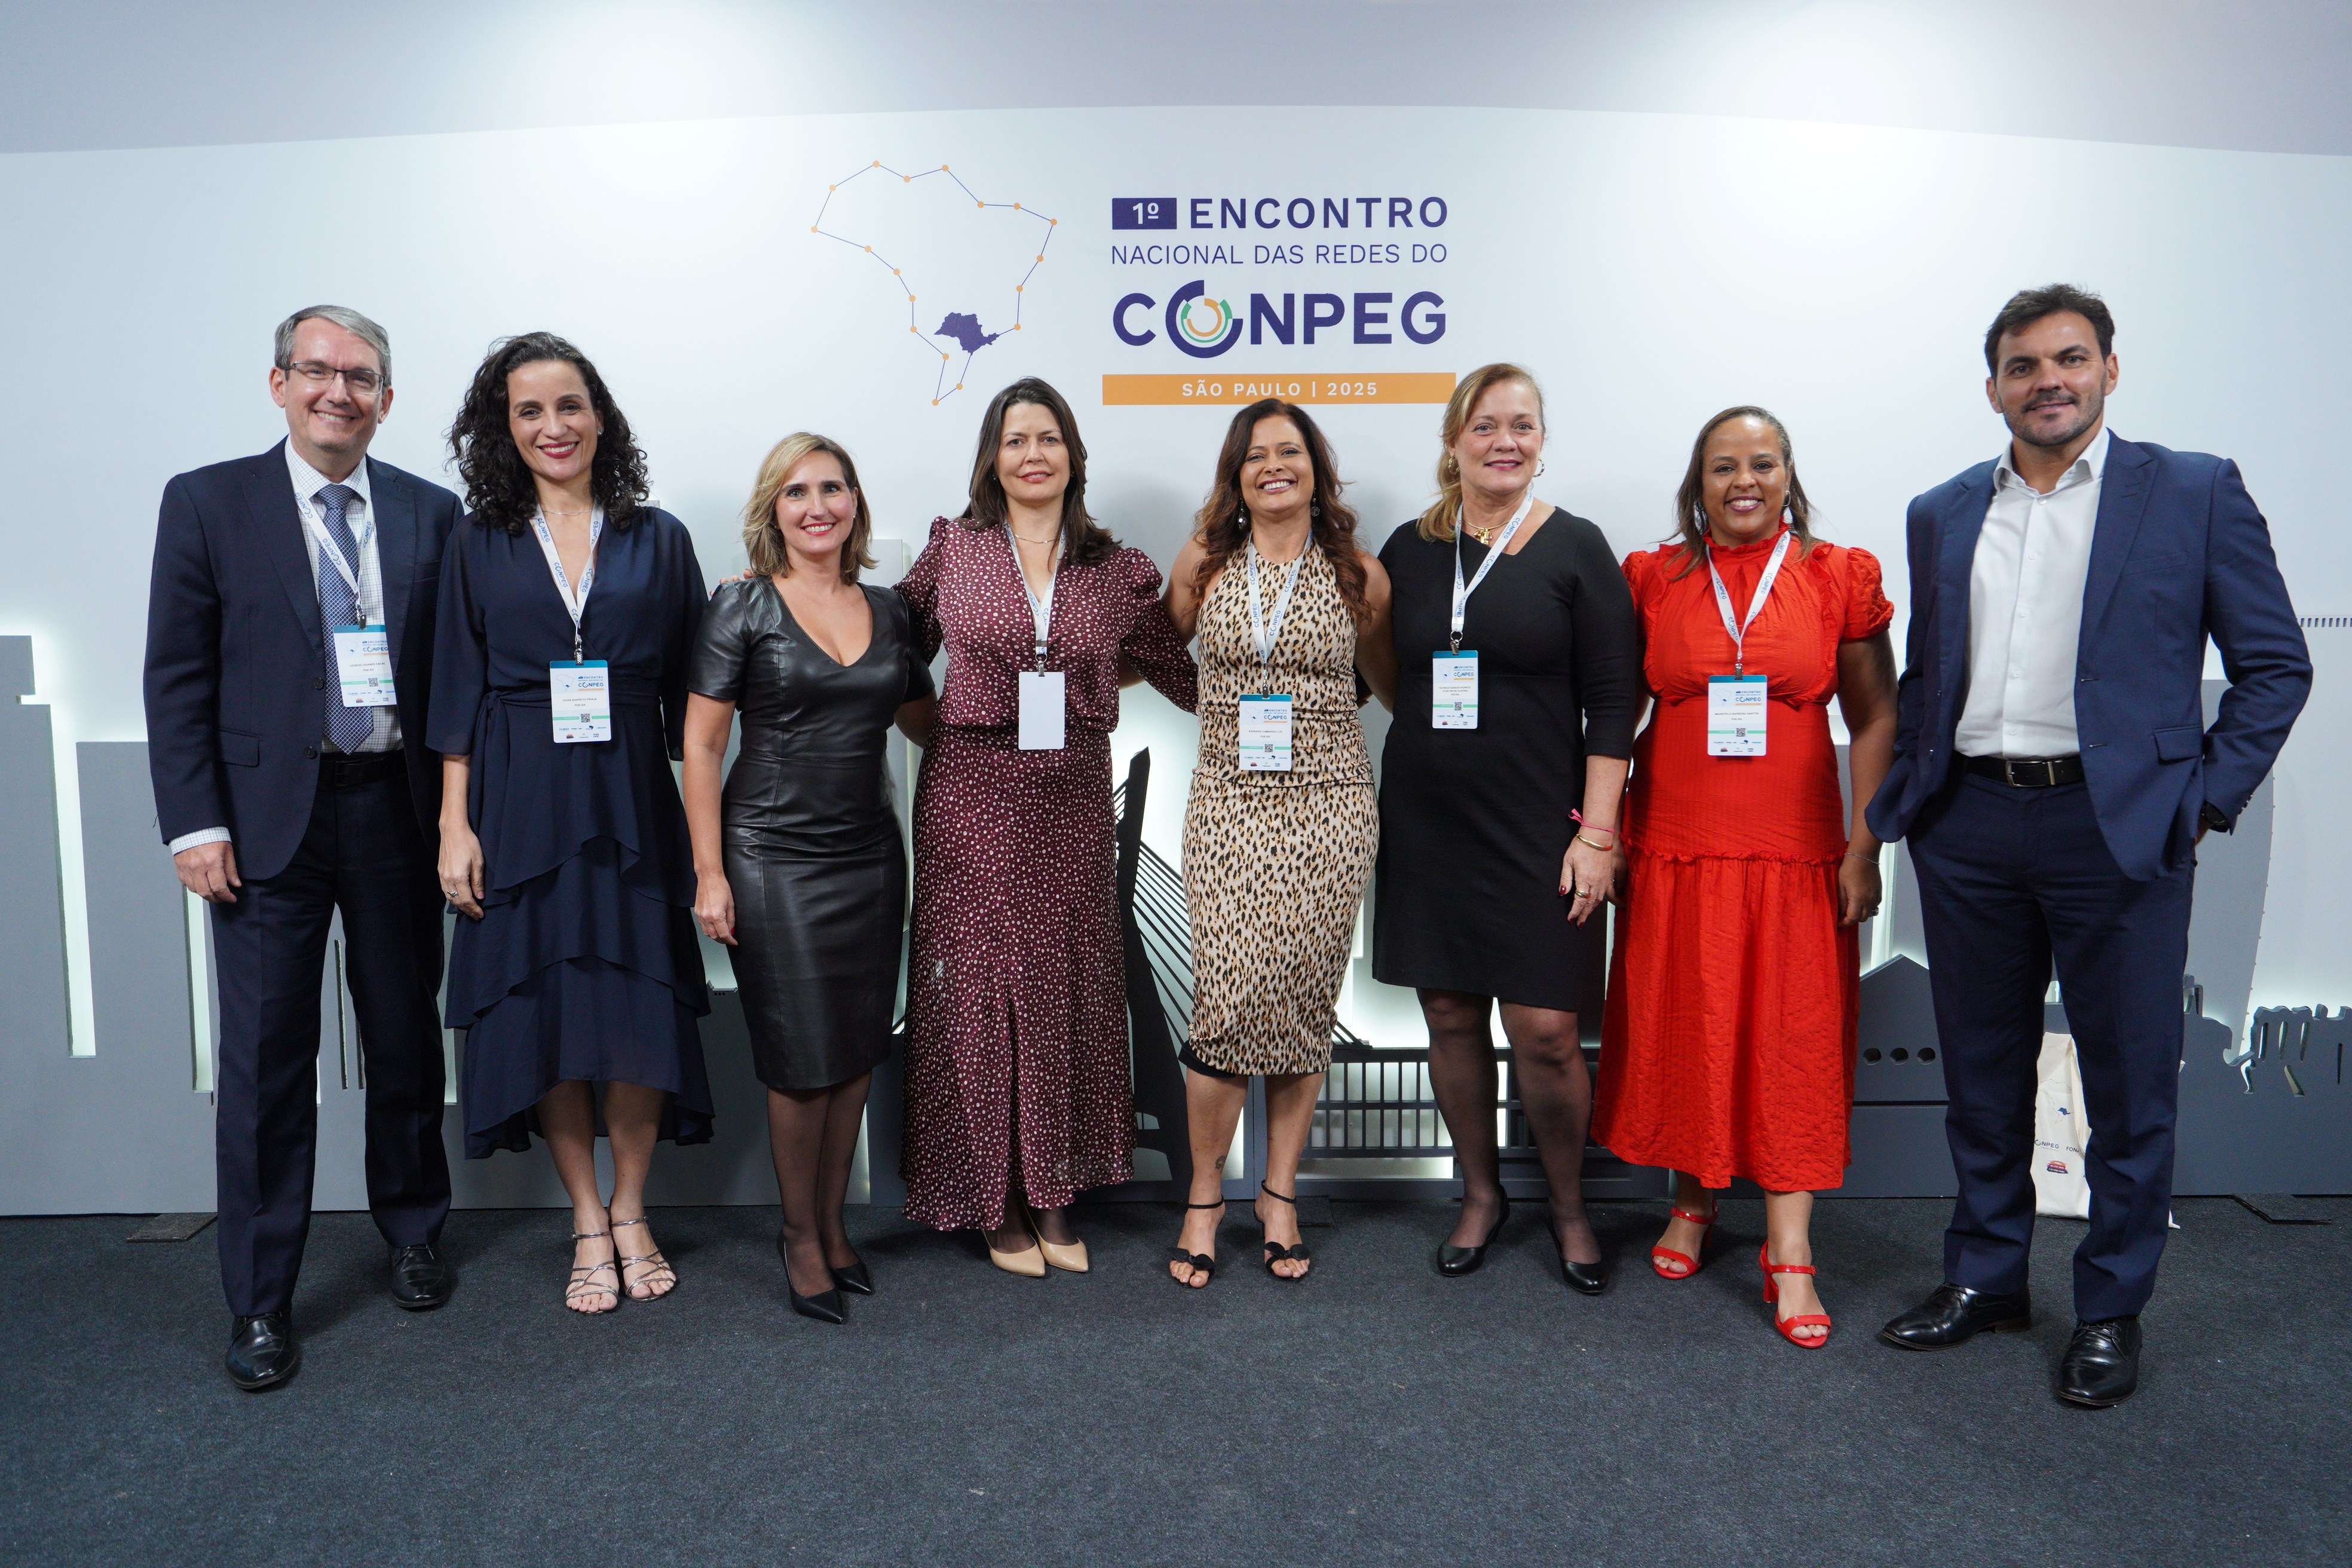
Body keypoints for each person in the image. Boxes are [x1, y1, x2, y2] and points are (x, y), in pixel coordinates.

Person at [1869, 285, 2310, 1405]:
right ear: (1993, 389)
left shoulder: (2195, 491)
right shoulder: (1941, 509)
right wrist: (1914, 802)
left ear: (2112, 370)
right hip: (1967, 822)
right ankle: (1987, 1280)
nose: (2047, 380)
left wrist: (2199, 802)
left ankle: (2110, 1306)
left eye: (2070, 359)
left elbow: (2276, 667)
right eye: (2023, 366)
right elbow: (1930, 673)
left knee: (2124, 1084)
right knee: (1979, 1075)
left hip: (2117, 829)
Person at [145, 305, 461, 1391]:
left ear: (386, 396)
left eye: (362, 376)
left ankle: (415, 1229)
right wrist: (194, 821)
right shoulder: (207, 502)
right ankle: (262, 1300)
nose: (340, 391)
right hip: (264, 823)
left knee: (405, 1037)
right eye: (318, 371)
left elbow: (451, 680)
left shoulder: (433, 512)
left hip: (394, 810)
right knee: (267, 1065)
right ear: (277, 383)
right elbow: (177, 676)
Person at [1590, 407, 1898, 1348]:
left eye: (1762, 463)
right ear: (1699, 482)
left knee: (1789, 1042)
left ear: (1788, 472)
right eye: (1724, 467)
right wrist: (1601, 833)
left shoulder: (1836, 576)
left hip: (1796, 852)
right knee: (1691, 1026)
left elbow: (1879, 716)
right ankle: (1693, 1201)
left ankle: (1790, 1248)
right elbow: (1614, 712)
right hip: (1676, 846)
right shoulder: (1654, 578)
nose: (1744, 482)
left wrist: (1863, 846)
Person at [431, 332, 713, 1314]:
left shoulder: (658, 536)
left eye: (570, 406)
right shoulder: (478, 541)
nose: (554, 427)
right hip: (518, 797)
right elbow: (457, 694)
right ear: (503, 430)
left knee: (635, 1006)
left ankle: (634, 1210)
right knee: (544, 1007)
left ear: (601, 417)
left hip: (633, 794)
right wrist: (453, 827)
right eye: (530, 411)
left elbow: (700, 705)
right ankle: (587, 1219)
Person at [896, 377, 1199, 1275]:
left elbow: (1169, 670)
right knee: (981, 992)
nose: (1033, 454)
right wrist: (776, 584)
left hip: (1071, 804)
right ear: (992, 457)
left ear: (1074, 455)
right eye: (1015, 438)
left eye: (1050, 438)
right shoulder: (954, 550)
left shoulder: (1116, 569)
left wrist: (1299, 703)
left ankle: (1057, 1190)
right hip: (972, 798)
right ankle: (991, 1198)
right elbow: (882, 647)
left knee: (1068, 987)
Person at [1371, 363, 1640, 1293]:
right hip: (1429, 814)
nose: (1505, 442)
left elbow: (1615, 700)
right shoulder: (1408, 547)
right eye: (1486, 426)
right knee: (1448, 1010)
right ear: (1453, 441)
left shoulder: (1576, 547)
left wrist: (1597, 836)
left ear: (1541, 440)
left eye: (1523, 426)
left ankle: (1568, 1207)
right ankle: (1479, 1194)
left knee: (1546, 1029)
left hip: (1541, 822)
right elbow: (1388, 669)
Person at [682, 434, 938, 1325]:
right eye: (798, 492)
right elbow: (703, 748)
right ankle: (797, 1237)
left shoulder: (893, 610)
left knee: (858, 1051)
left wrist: (1032, 711)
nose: (818, 505)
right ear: (774, 511)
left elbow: (926, 722)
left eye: (834, 488)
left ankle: (832, 1227)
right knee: (800, 1064)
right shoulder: (742, 608)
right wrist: (709, 875)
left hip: (871, 855)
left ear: (856, 504)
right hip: (770, 857)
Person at [1162, 400, 1396, 1288]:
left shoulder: (1359, 576)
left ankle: (1280, 1194)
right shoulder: (1205, 563)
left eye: (1289, 452)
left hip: (1330, 809)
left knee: (1302, 996)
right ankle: (1203, 1197)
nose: (1273, 467)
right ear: (1236, 473)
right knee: (1223, 1002)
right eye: (1255, 456)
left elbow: (1383, 685)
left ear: (1314, 468)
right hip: (1226, 804)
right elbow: (1158, 646)